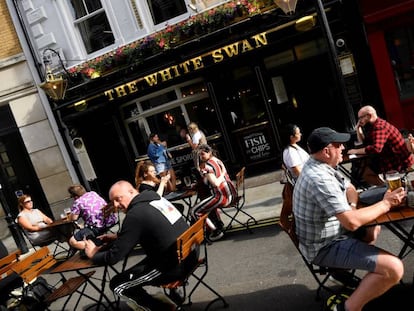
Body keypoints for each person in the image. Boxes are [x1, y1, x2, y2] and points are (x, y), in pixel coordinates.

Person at [293, 127, 405, 311]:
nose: (343, 148)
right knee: (394, 268)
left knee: (372, 229)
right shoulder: (319, 178)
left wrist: (352, 207)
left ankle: (354, 276)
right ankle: (347, 308)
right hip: (323, 246)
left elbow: (350, 188)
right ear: (326, 151)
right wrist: (386, 204)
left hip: (332, 233)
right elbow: (351, 222)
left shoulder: (323, 165)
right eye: (338, 145)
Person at [83, 180, 196, 310]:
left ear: (132, 192)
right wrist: (119, 237)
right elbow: (152, 226)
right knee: (129, 276)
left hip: (173, 266)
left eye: (118, 199)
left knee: (118, 284)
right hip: (189, 254)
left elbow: (114, 257)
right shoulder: (156, 199)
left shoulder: (135, 215)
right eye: (112, 201)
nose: (115, 205)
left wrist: (92, 254)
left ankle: (164, 308)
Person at [347, 105, 414, 186]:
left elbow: (376, 149)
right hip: (389, 158)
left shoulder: (379, 127)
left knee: (365, 172)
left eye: (361, 118)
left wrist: (355, 151)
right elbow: (365, 143)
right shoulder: (375, 125)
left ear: (369, 116)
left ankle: (389, 188)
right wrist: (358, 129)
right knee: (364, 167)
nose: (359, 121)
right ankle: (388, 187)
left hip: (397, 162)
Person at [190, 144, 237, 242]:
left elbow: (215, 183)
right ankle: (217, 224)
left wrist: (221, 176)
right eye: (200, 155)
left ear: (209, 152)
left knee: (194, 211)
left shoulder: (208, 166)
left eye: (203, 154)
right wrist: (223, 174)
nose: (201, 157)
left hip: (223, 197)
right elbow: (208, 180)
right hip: (232, 194)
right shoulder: (217, 160)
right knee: (206, 204)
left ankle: (215, 231)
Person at [67, 184, 117, 253]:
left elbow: (73, 218)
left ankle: (97, 247)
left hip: (97, 227)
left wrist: (70, 216)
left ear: (75, 196)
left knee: (72, 241)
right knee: (83, 230)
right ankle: (98, 242)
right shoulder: (93, 193)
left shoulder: (78, 202)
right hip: (110, 221)